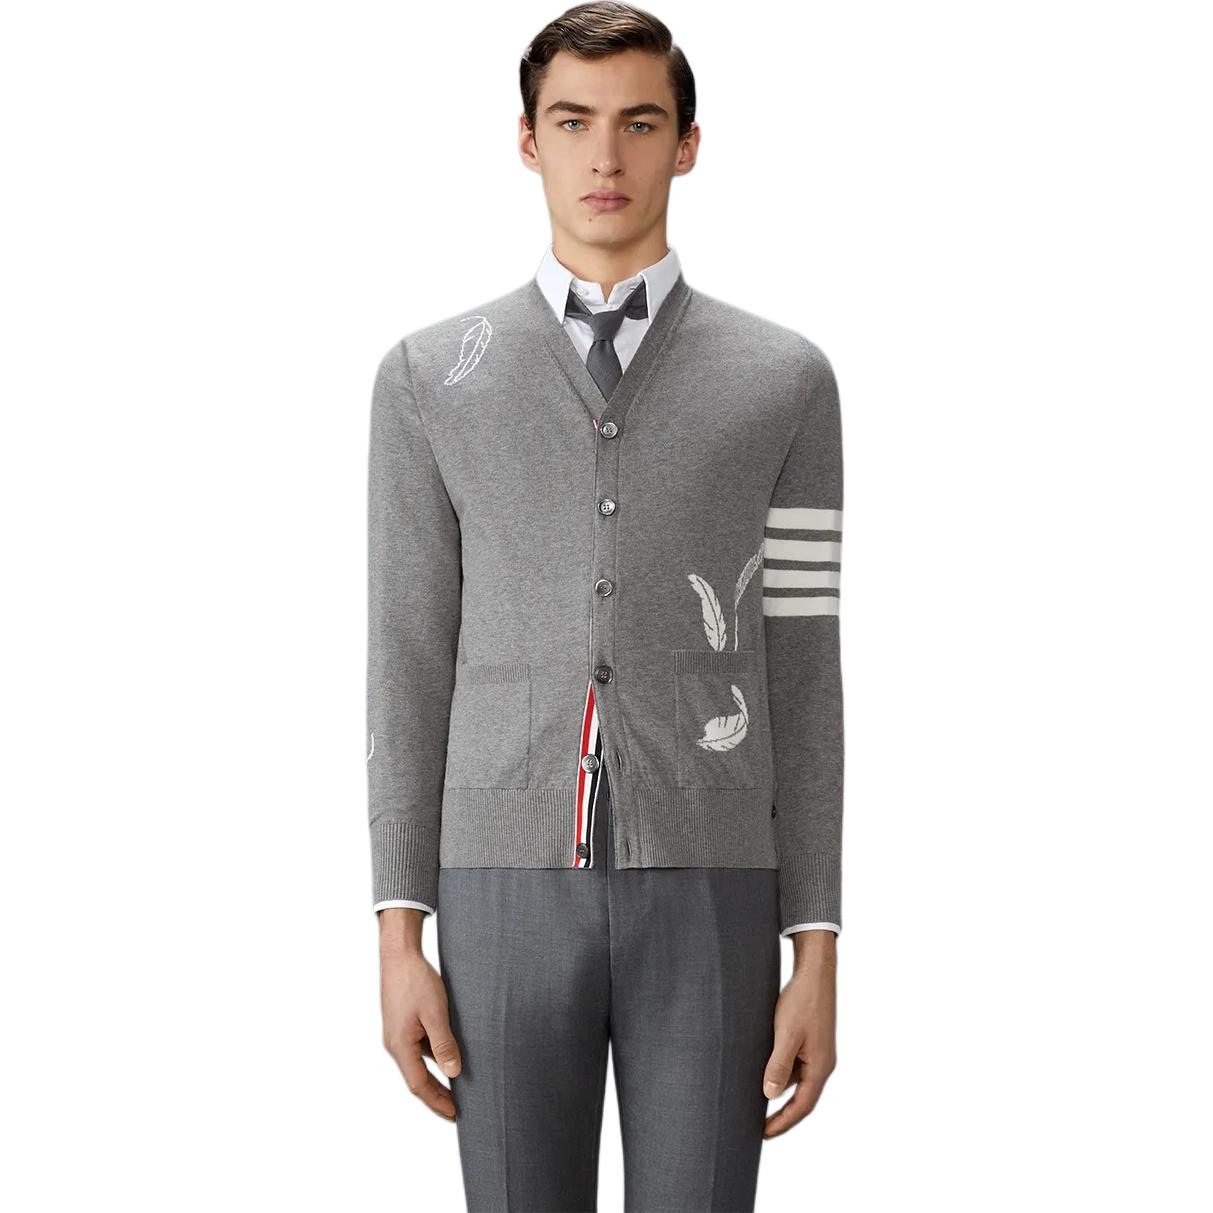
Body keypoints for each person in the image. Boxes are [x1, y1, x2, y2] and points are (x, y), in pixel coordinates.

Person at [367, 4, 844, 1209]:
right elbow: (407, 656)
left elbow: (804, 672)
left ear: (687, 144)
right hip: (497, 888)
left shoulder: (784, 381)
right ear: (527, 141)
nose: (605, 157)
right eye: (573, 123)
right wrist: (398, 928)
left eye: (639, 123)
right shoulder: (430, 379)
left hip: (717, 884)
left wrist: (817, 943)